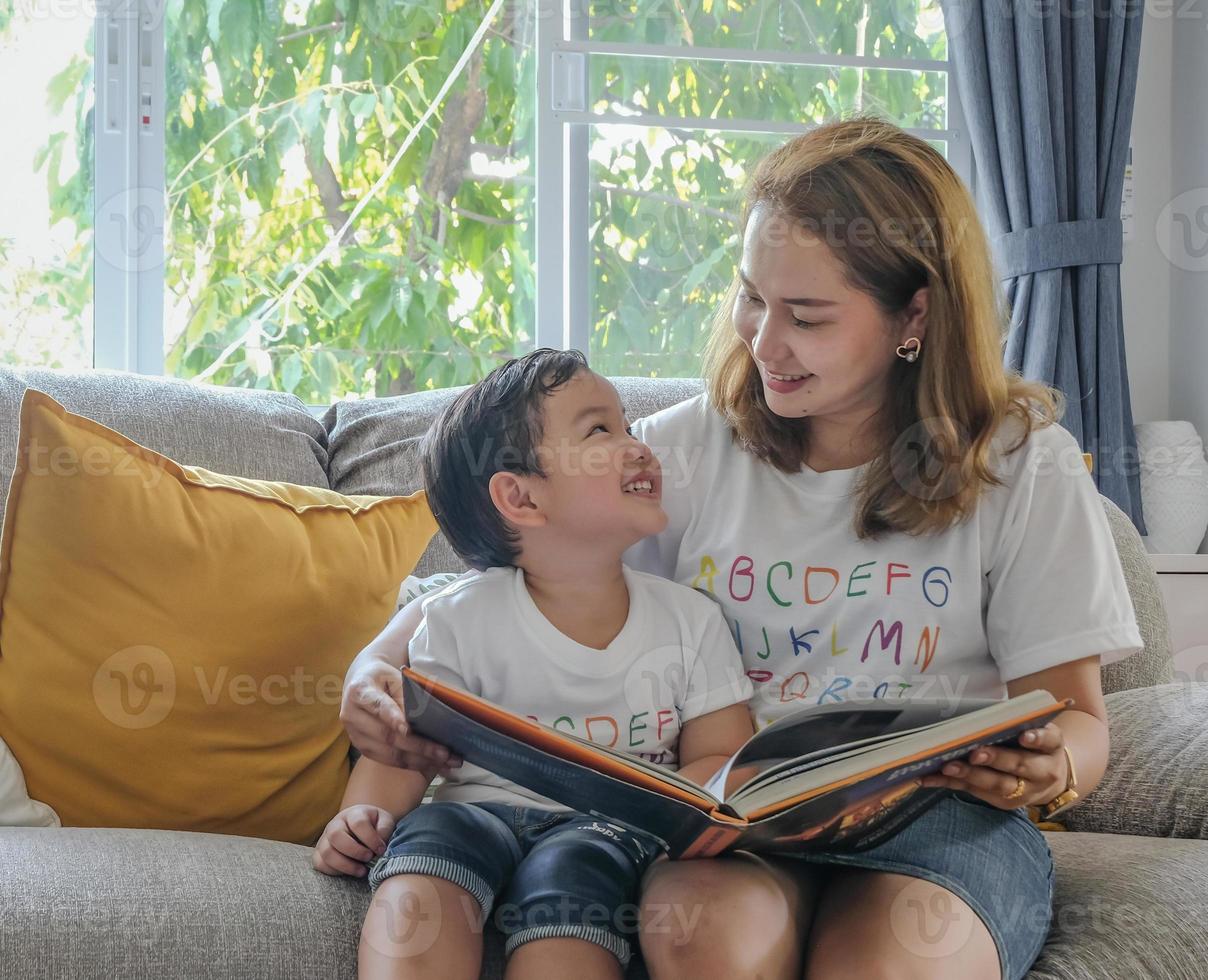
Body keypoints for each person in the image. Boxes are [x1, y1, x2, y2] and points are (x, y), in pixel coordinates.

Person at [340, 116, 1144, 980]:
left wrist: (1051, 768)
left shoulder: (1021, 465)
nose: (763, 343)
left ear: (914, 314)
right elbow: (507, 571)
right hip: (734, 820)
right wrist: (370, 672)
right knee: (697, 932)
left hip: (938, 820)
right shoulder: (683, 452)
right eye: (752, 297)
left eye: (806, 316)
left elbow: (1077, 720)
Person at [318, 348, 754, 980]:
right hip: (470, 815)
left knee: (573, 873)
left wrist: (694, 806)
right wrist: (362, 819)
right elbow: (408, 753)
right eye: (601, 430)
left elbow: (721, 755)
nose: (637, 445)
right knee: (423, 867)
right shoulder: (458, 620)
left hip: (606, 832)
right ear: (520, 497)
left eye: (628, 426)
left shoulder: (691, 620)